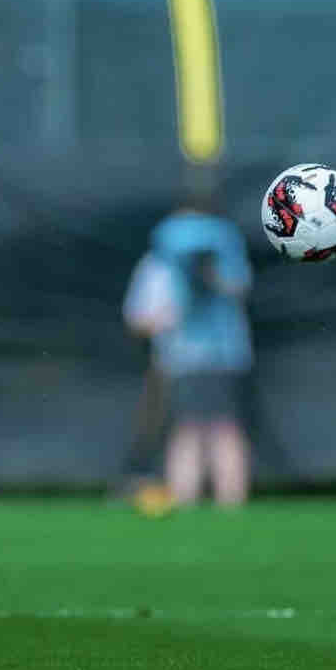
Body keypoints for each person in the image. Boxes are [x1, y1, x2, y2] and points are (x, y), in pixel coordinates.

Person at [123, 206, 253, 507]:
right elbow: (140, 319)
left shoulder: (222, 258)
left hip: (218, 357)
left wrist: (210, 276)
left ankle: (224, 503)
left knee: (216, 429)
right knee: (196, 429)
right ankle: (193, 502)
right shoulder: (161, 265)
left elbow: (239, 287)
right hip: (186, 358)